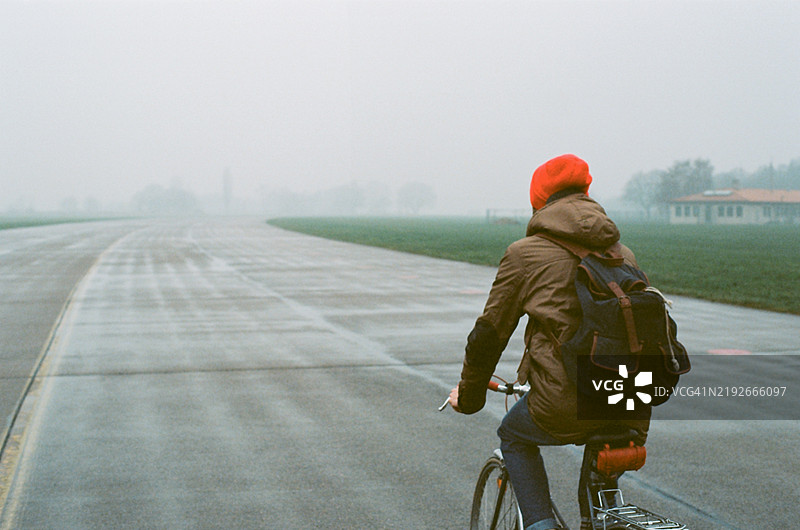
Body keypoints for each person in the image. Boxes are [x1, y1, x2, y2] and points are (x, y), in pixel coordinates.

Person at [447, 154, 650, 530]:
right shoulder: (622, 254)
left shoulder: (525, 255)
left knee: (513, 435)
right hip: (628, 399)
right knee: (600, 501)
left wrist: (471, 396)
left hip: (564, 402)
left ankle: (541, 524)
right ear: (586, 194)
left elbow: (488, 336)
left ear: (538, 202)